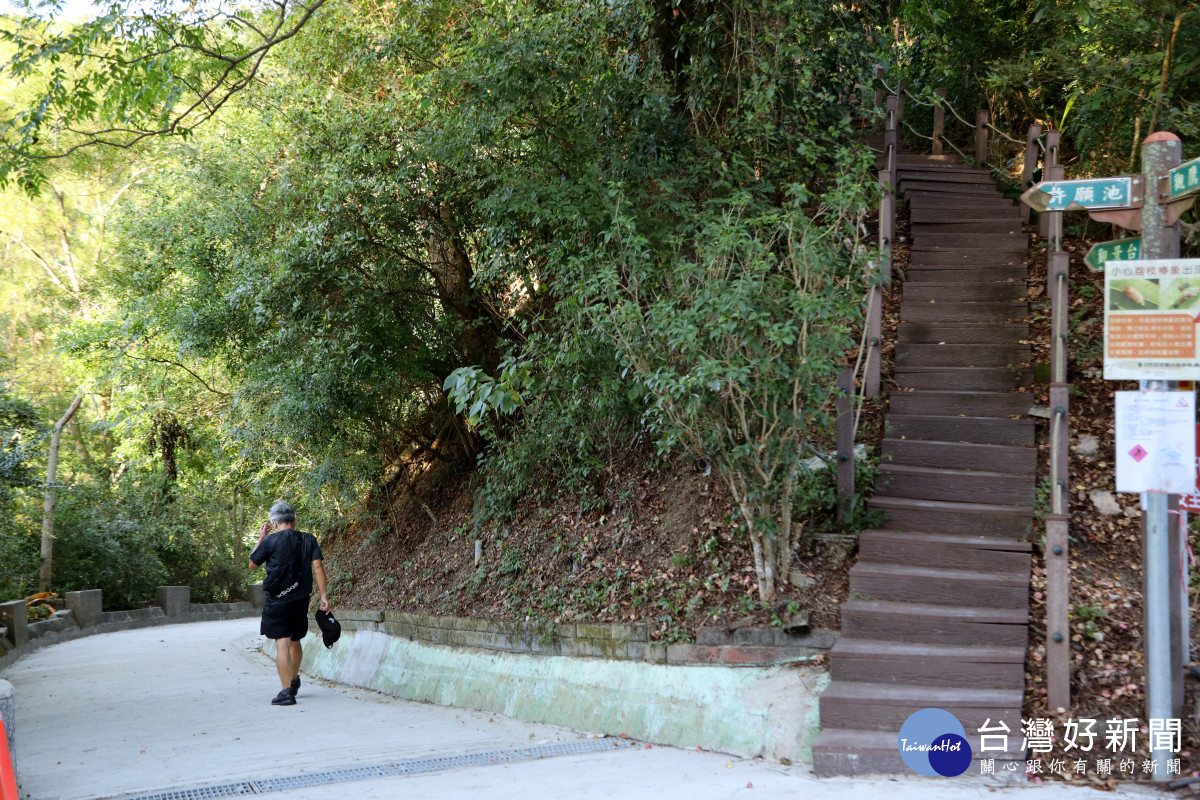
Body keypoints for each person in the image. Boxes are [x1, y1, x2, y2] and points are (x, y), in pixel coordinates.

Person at [249, 500, 330, 706]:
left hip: (277, 600)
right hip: (300, 599)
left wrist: (261, 538)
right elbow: (318, 565)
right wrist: (323, 596)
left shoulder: (270, 541)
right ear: (294, 520)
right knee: (295, 640)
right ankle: (293, 681)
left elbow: (252, 565)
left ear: (274, 523)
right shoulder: (308, 539)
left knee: (282, 644)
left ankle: (287, 693)